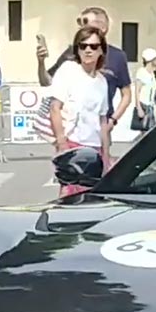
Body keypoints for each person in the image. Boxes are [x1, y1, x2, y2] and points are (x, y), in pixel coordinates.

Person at [40, 7, 132, 127]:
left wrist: (112, 121)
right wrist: (41, 62)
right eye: (79, 23)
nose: (80, 27)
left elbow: (126, 95)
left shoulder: (118, 56)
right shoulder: (71, 52)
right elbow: (46, 82)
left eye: (85, 22)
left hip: (100, 126)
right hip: (70, 128)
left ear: (103, 28)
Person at [49, 26, 111, 197]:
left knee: (92, 196)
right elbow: (55, 107)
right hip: (73, 144)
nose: (88, 50)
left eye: (93, 46)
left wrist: (106, 155)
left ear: (101, 50)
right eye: (83, 46)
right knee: (70, 194)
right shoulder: (68, 70)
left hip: (95, 147)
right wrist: (62, 144)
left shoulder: (102, 81)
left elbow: (103, 120)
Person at [134, 48, 156, 131]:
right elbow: (137, 91)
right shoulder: (141, 72)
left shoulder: (153, 74)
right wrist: (138, 108)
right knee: (144, 129)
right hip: (144, 105)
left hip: (151, 106)